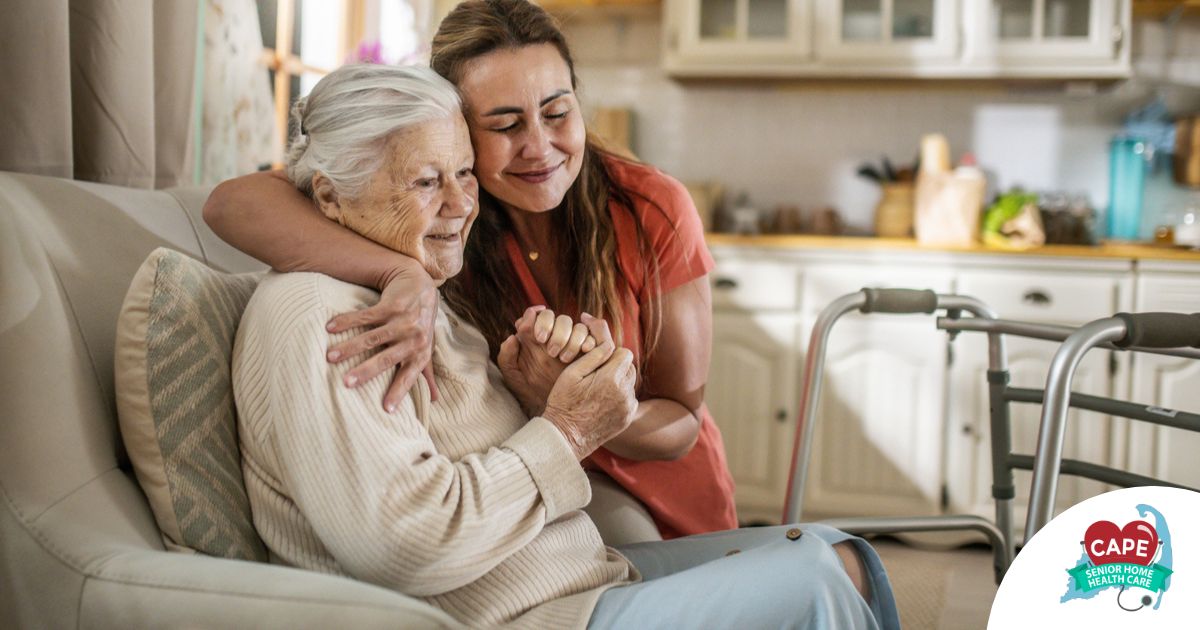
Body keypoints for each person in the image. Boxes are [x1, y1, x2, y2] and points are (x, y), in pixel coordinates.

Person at [233, 62, 899, 629]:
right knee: (817, 575)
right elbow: (407, 543)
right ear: (329, 195)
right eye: (425, 181)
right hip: (530, 617)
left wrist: (540, 388)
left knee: (839, 551)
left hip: (577, 580)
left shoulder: (411, 290)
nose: (462, 204)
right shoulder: (322, 317)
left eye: (464, 174)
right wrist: (570, 427)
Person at [205, 0, 734, 542]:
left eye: (557, 113)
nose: (539, 147)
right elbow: (231, 204)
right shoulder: (446, 219)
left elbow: (683, 424)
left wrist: (585, 408)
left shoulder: (650, 207)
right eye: (504, 124)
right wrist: (400, 274)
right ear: (456, 127)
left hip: (668, 501)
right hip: (536, 495)